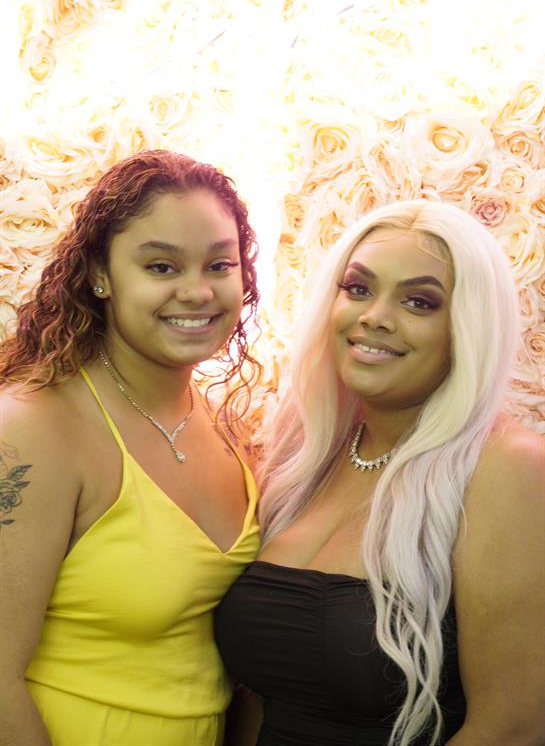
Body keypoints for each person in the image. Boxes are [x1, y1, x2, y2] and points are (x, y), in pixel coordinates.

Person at [215, 200, 545, 746]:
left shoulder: (508, 470)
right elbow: (262, 695)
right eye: (359, 288)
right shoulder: (304, 461)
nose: (375, 316)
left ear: (466, 327)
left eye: (419, 301)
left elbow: (516, 725)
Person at [0, 149, 262, 746]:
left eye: (218, 265)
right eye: (162, 268)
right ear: (100, 275)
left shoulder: (228, 431)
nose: (197, 292)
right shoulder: (34, 428)